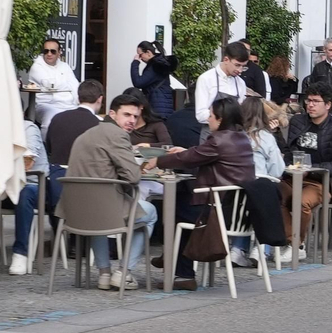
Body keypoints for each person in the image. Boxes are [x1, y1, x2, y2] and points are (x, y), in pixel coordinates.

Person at [146, 96, 254, 290]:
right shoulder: (241, 138)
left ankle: (183, 273)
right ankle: (172, 259)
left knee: (174, 214)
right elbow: (201, 154)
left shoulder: (219, 141)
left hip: (216, 212)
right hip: (236, 211)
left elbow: (190, 158)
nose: (207, 119)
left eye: (211, 115)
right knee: (182, 205)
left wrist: (158, 161)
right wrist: (188, 150)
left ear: (220, 119)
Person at [61, 89, 158, 290]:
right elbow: (133, 177)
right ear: (112, 114)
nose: (132, 120)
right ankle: (124, 272)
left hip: (74, 212)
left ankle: (104, 273)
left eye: (135, 116)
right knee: (150, 213)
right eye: (127, 115)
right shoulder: (118, 135)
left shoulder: (86, 135)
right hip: (102, 211)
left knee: (100, 207)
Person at [282, 82, 332, 249]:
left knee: (302, 202)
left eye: (315, 101)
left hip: (322, 182)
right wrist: (290, 164)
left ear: (328, 105)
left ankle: (295, 246)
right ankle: (292, 241)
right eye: (308, 100)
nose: (310, 105)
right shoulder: (298, 121)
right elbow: (288, 151)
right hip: (292, 177)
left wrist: (312, 169)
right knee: (273, 195)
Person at [230, 94, 287, 269]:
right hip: (260, 191)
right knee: (267, 195)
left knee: (244, 202)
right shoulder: (266, 137)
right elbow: (278, 170)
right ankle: (262, 247)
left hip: (231, 196)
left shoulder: (230, 136)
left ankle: (237, 248)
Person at [6, 116, 51, 276]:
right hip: (4, 184)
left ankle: (20, 253)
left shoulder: (28, 128)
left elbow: (27, 162)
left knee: (23, 194)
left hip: (33, 183)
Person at [24, 38, 79, 127]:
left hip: (68, 105)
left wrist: (78, 100)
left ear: (59, 53)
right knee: (51, 120)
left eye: (53, 51)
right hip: (46, 104)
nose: (49, 54)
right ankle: (46, 141)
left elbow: (75, 86)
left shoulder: (65, 66)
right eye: (46, 51)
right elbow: (50, 84)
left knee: (83, 117)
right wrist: (67, 85)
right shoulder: (37, 67)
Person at [129, 41, 176, 121]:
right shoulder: (160, 64)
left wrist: (135, 63)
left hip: (157, 108)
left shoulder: (155, 66)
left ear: (148, 52)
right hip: (162, 107)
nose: (140, 57)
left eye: (140, 54)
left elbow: (138, 82)